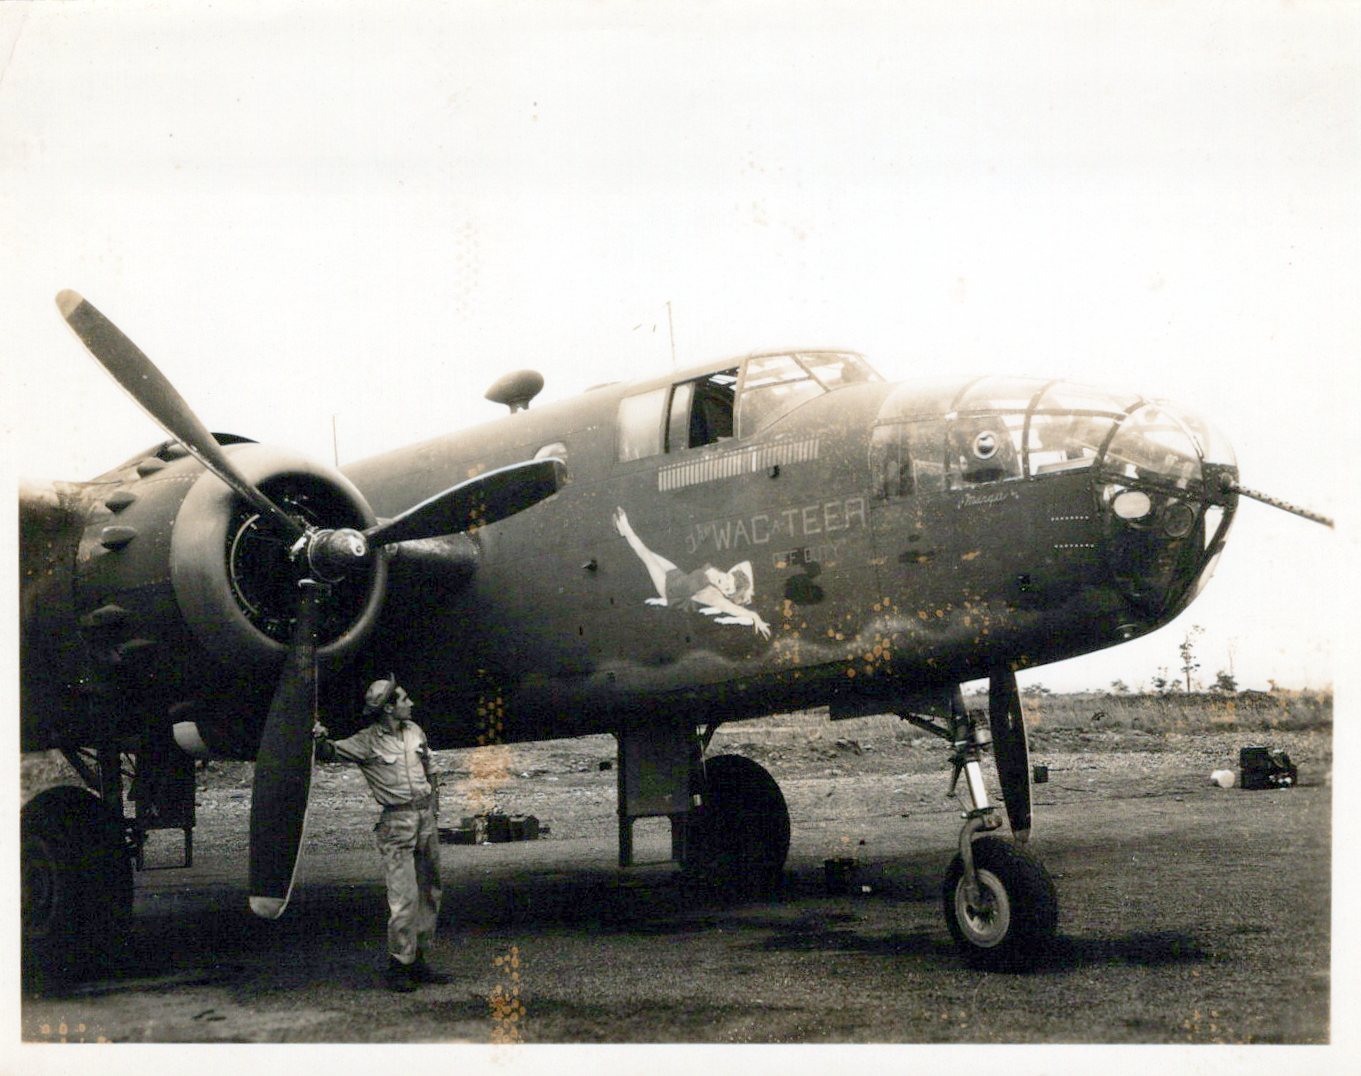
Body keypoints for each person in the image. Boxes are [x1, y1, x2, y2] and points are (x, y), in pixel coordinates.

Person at [313, 677, 450, 992]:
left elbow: (430, 769)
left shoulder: (414, 731)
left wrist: (433, 812)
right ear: (389, 707)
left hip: (424, 818)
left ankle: (419, 960)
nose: (411, 703)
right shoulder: (367, 741)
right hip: (397, 821)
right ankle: (399, 965)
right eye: (404, 699)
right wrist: (317, 735)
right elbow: (328, 752)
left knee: (431, 890)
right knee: (404, 896)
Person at [613, 506, 770, 637]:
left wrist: (754, 616)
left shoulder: (713, 596)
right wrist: (747, 590)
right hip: (678, 576)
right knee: (649, 553)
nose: (725, 582)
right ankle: (623, 531)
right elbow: (745, 564)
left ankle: (625, 526)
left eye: (728, 588)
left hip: (670, 590)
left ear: (726, 593)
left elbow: (732, 609)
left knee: (644, 553)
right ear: (729, 572)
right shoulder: (720, 575)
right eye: (728, 578)